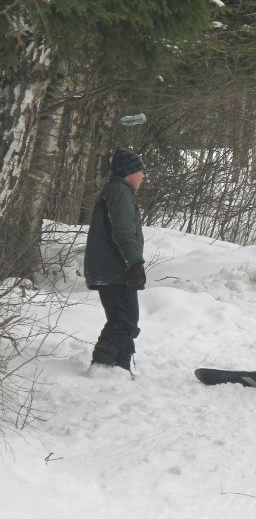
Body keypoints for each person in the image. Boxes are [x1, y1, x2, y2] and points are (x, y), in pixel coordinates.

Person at [83, 148, 147, 375]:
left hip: (111, 268)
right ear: (129, 172)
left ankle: (120, 367)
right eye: (140, 170)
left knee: (126, 317)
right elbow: (123, 232)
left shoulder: (118, 191)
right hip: (114, 269)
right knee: (123, 319)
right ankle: (102, 366)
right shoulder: (119, 192)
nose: (143, 175)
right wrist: (135, 263)